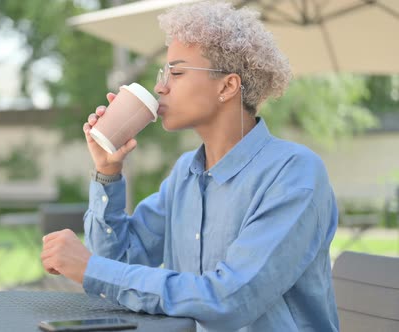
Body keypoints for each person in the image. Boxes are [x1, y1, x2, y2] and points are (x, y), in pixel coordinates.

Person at [41, 1, 339, 331]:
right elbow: (119, 263)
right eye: (162, 73)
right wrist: (107, 171)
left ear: (227, 86)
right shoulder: (186, 172)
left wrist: (91, 269)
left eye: (177, 72)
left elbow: (229, 299)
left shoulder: (294, 174)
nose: (160, 87)